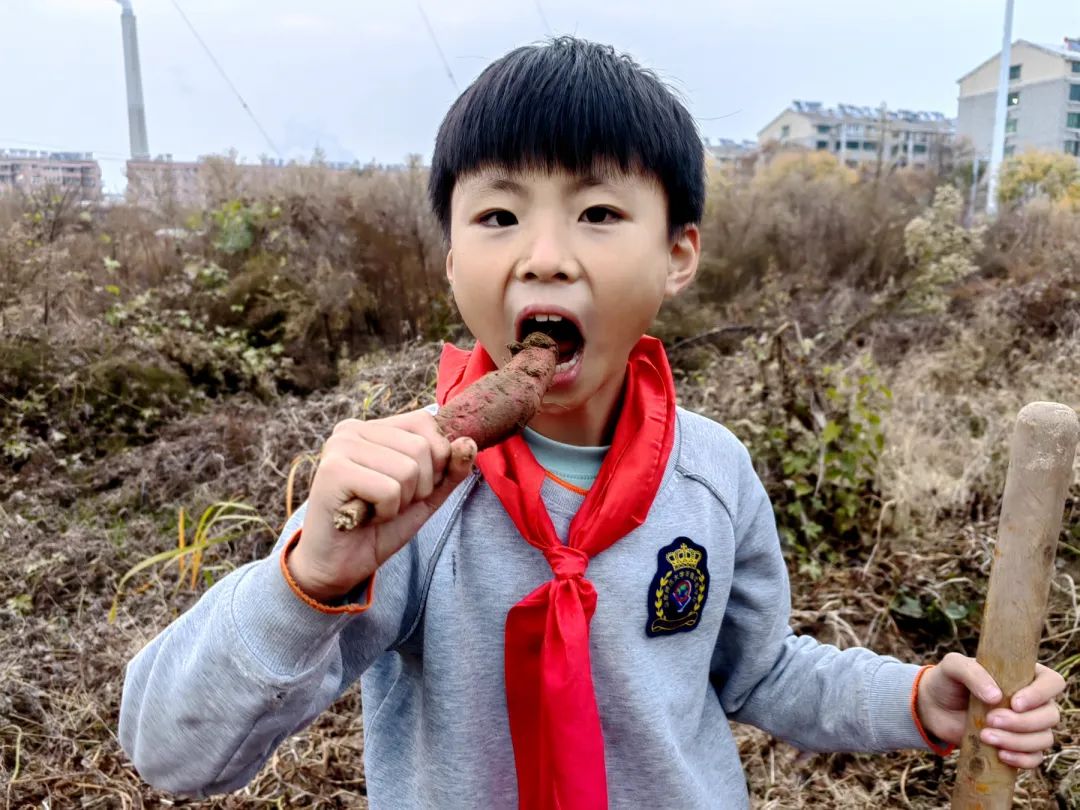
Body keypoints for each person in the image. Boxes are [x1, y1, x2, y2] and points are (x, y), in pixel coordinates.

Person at [119, 37, 1065, 809]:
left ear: (678, 254)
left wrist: (914, 701)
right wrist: (308, 578)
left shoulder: (712, 474)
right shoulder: (402, 496)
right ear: (451, 261)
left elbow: (760, 670)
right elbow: (171, 753)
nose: (544, 256)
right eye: (496, 216)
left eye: (600, 212)